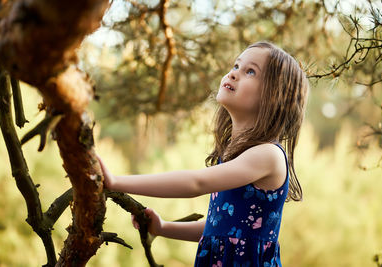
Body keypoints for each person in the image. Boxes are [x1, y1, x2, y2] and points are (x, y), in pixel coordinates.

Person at [97, 41, 309, 267]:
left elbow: (196, 183)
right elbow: (219, 227)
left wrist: (116, 181)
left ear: (275, 96)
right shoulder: (233, 154)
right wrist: (163, 228)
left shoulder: (268, 155)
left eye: (250, 71)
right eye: (236, 66)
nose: (234, 74)